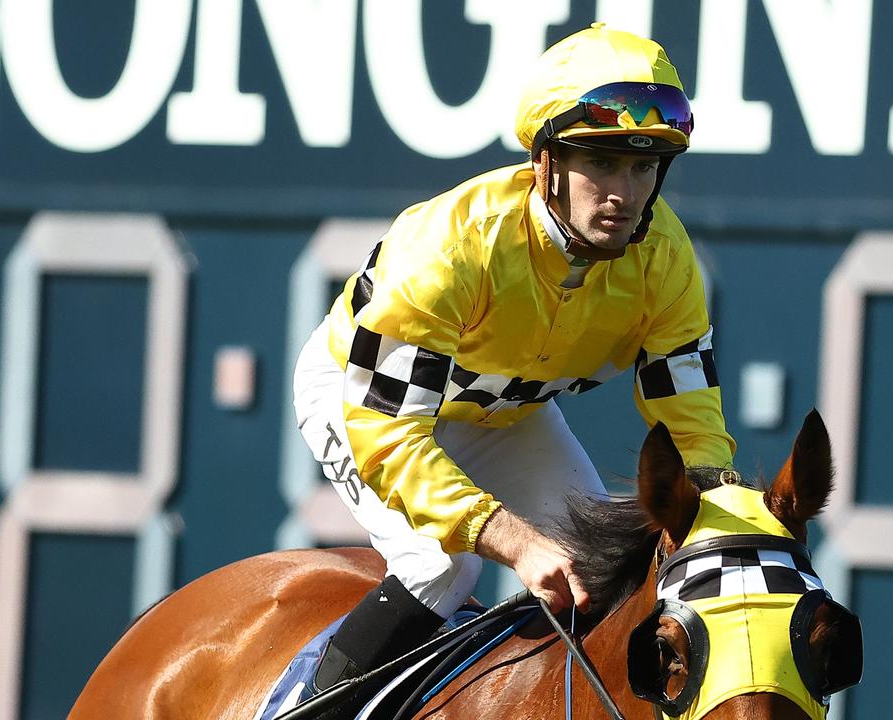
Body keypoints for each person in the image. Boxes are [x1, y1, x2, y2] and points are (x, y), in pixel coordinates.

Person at [292, 22, 736, 696]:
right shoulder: (451, 248)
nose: (625, 193)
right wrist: (515, 541)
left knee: (604, 571)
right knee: (442, 567)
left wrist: (728, 522)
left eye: (644, 166)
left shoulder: (665, 258)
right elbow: (390, 432)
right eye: (601, 163)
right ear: (546, 164)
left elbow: (693, 426)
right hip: (367, 405)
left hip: (504, 415)